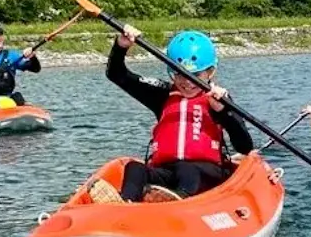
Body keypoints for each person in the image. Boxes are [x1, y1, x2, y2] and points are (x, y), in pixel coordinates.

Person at [106, 24, 254, 202]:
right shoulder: (163, 94)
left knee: (187, 169)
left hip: (205, 173)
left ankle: (177, 203)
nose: (186, 82)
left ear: (210, 72)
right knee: (134, 168)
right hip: (167, 172)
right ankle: (126, 204)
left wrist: (222, 110)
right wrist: (121, 46)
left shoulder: (219, 98)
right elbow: (116, 74)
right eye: (178, 74)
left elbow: (244, 146)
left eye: (195, 75)